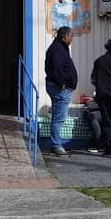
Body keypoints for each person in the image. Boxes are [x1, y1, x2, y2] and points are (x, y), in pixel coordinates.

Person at [44, 24, 78, 157]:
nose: (72, 38)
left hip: (60, 87)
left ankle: (57, 144)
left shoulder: (60, 48)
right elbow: (56, 69)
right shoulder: (58, 49)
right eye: (71, 36)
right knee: (59, 118)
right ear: (65, 37)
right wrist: (62, 83)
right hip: (60, 88)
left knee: (59, 117)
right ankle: (56, 145)